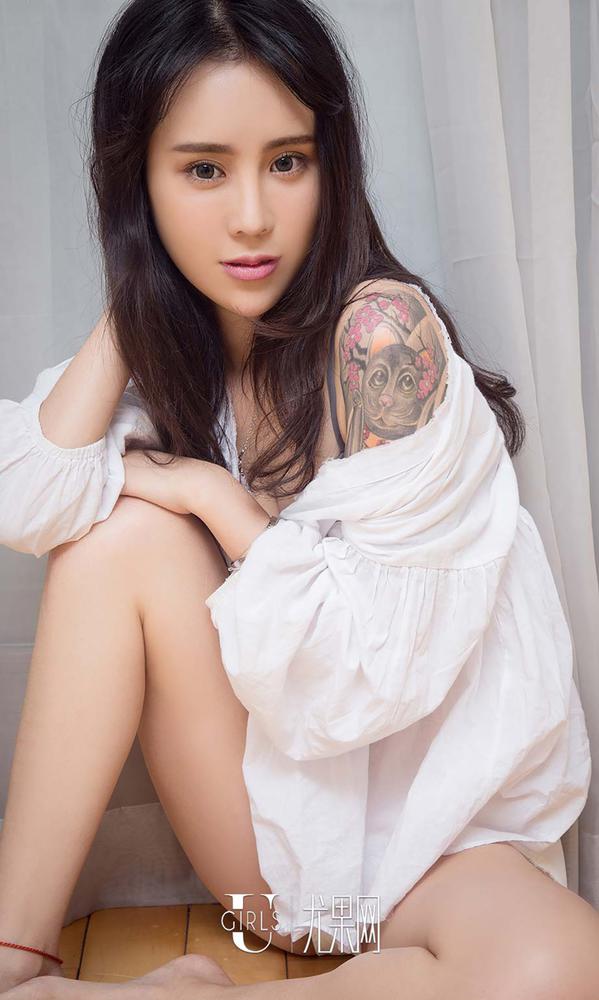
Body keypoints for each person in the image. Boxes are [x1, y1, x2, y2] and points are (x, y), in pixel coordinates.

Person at [0, 0, 598, 997]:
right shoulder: (176, 363)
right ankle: (15, 961)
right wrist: (135, 288)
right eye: (202, 170)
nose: (250, 216)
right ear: (138, 183)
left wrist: (209, 493)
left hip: (438, 846)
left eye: (287, 161)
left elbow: (360, 674)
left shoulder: (381, 340)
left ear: (331, 165)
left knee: (562, 966)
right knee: (116, 540)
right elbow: (27, 502)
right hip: (284, 854)